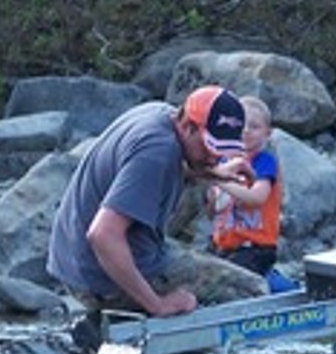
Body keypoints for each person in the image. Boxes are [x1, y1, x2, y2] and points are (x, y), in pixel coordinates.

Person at [47, 86, 258, 319]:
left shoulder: (160, 115)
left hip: (76, 260)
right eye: (211, 147)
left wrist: (213, 173)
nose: (215, 157)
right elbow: (103, 235)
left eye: (223, 150)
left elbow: (151, 178)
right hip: (98, 276)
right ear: (188, 126)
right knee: (249, 291)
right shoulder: (157, 152)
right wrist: (157, 304)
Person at [207, 94, 282, 276]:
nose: (246, 131)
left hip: (255, 247)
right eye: (242, 126)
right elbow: (213, 211)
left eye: (254, 127)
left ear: (267, 133)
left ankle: (281, 288)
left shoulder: (264, 162)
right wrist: (213, 198)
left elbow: (257, 198)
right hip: (224, 244)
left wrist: (219, 180)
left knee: (234, 280)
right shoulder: (224, 161)